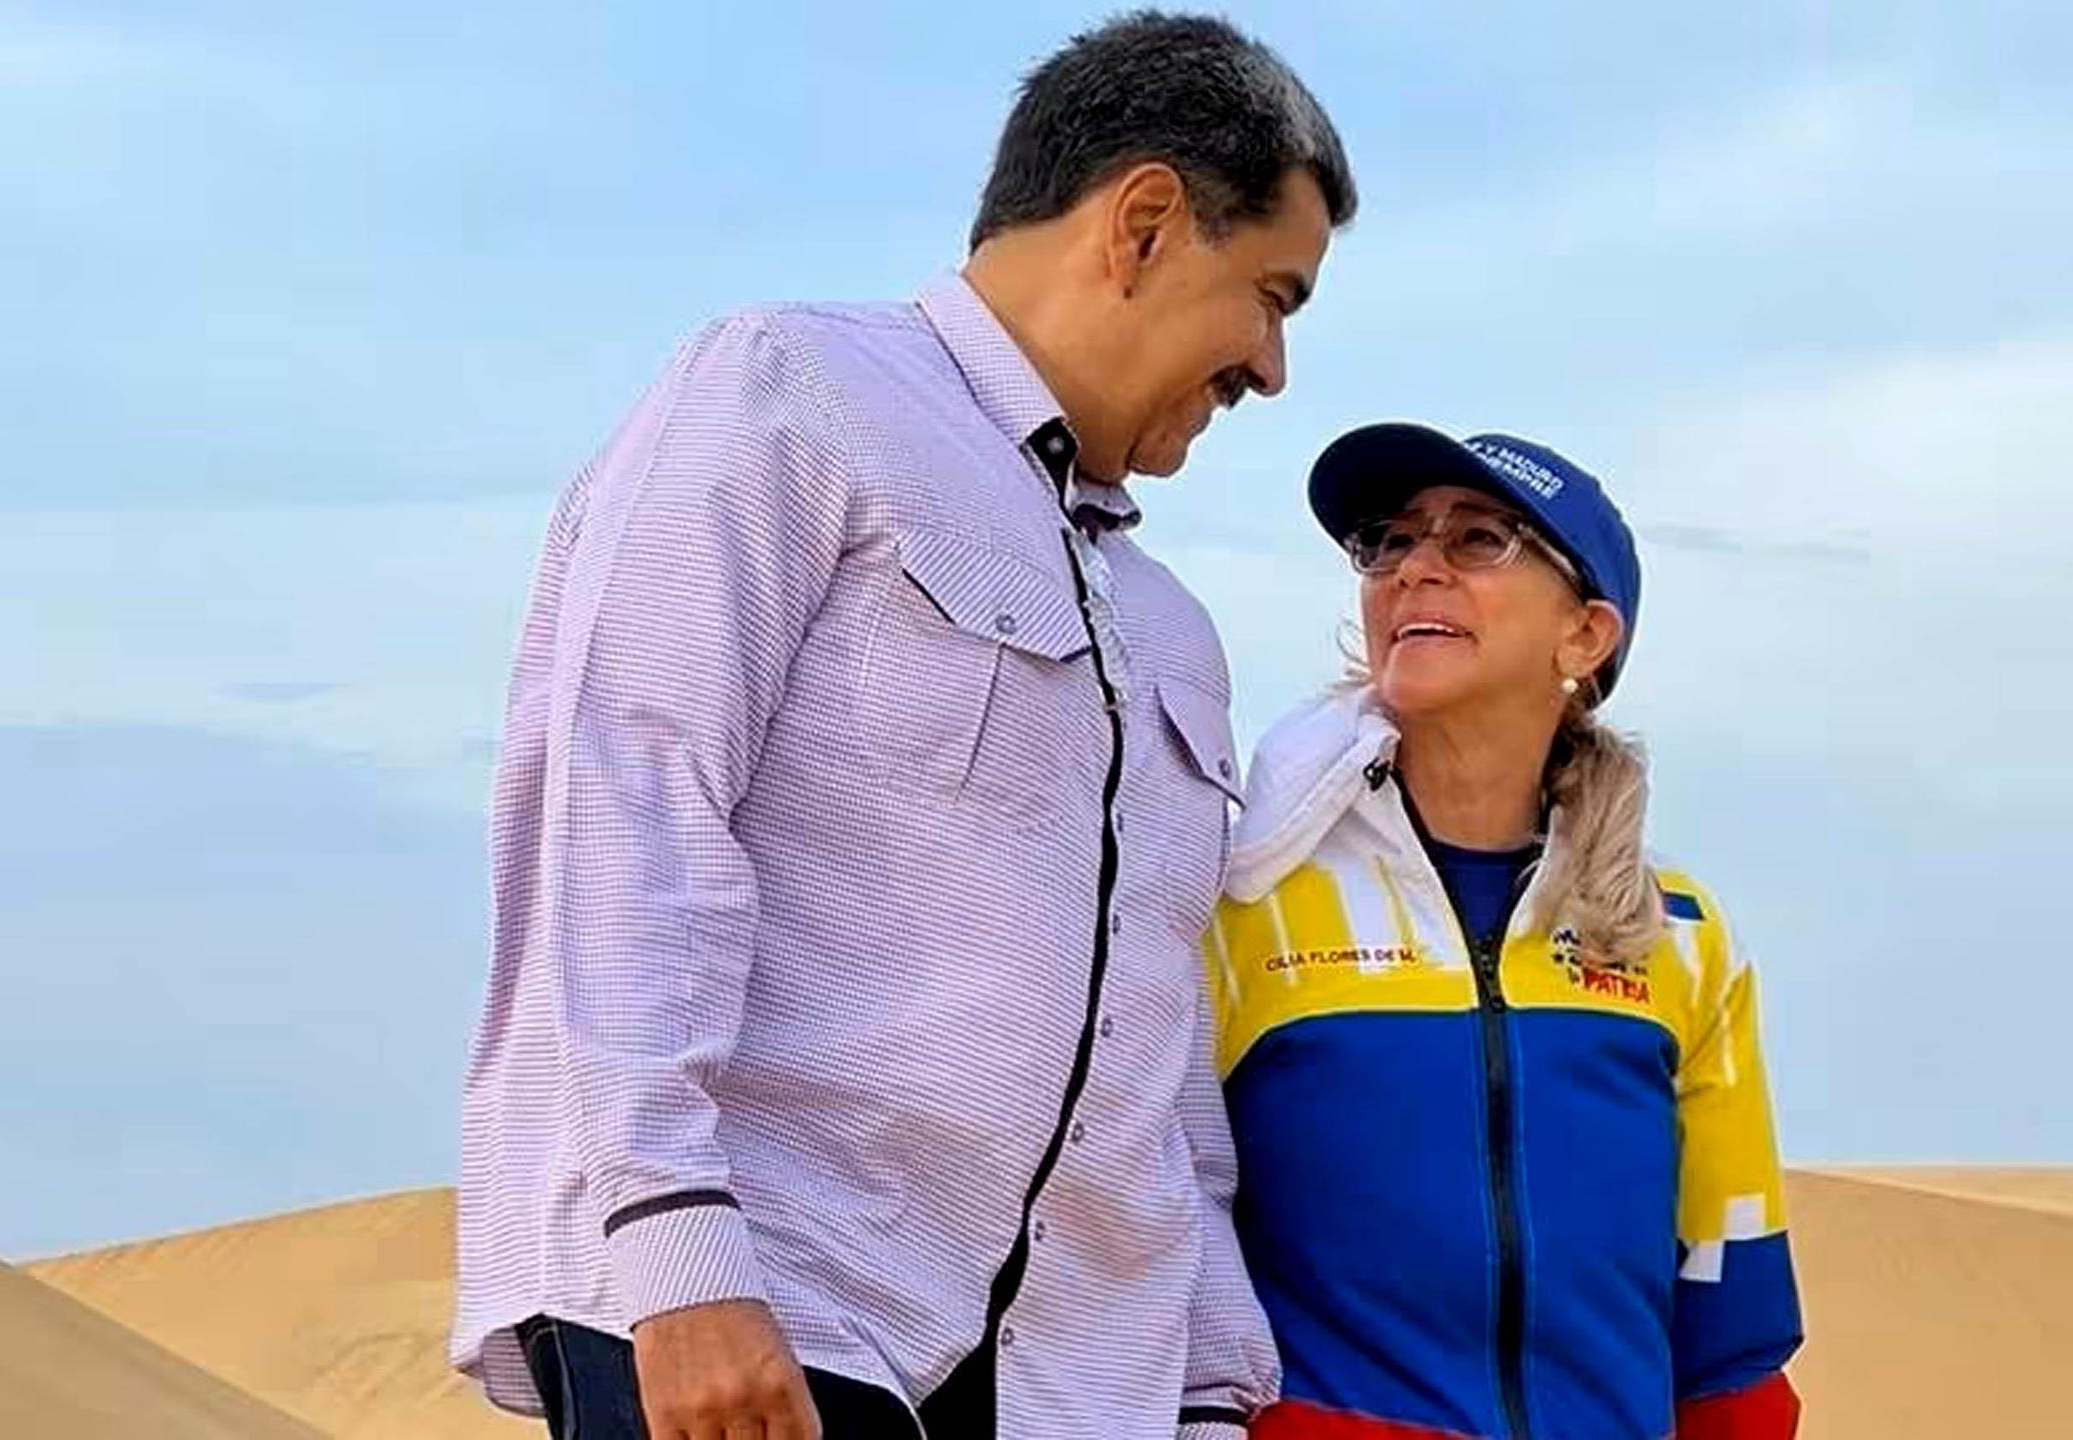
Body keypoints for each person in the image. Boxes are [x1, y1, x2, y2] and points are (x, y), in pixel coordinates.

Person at [451, 15, 1357, 1440]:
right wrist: (675, 1245)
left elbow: (1153, 1026)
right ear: (1142, 223)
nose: (1273, 366)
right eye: (1272, 296)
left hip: (1068, 1390)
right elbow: (631, 799)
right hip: (773, 1311)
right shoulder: (793, 394)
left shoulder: (1170, 628)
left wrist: (1202, 1384)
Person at [1205, 423, 1804, 1439]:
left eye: (1478, 538)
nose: (1415, 568)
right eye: (1390, 541)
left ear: (1586, 636)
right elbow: (1139, 1253)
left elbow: (1731, 1338)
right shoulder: (1234, 906)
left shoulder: (1678, 936)